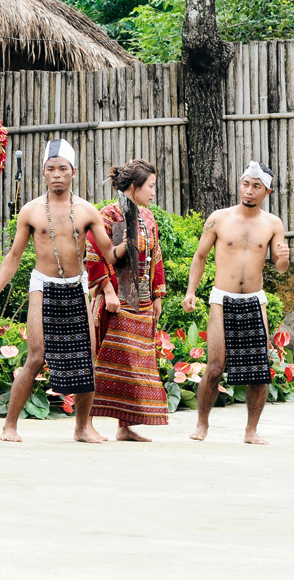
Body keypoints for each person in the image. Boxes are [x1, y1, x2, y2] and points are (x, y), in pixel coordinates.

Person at [0, 139, 117, 443]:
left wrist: (129, 241)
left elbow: (109, 253)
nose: (57, 174)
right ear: (43, 173)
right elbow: (14, 256)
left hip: (77, 287)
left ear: (73, 172)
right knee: (36, 355)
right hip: (42, 287)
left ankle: (83, 427)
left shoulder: (86, 211)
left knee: (87, 356)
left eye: (63, 168)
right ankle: (10, 425)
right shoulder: (31, 211)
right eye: (51, 169)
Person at [182, 161, 289, 444]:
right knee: (215, 366)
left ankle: (251, 431)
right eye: (245, 184)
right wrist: (191, 292)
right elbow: (200, 256)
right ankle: (202, 423)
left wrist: (284, 258)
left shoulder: (273, 223)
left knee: (259, 369)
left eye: (256, 186)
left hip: (255, 299)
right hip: (221, 298)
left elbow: (279, 267)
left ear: (267, 191)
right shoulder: (219, 218)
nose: (249, 191)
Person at [84, 160, 168, 442]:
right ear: (134, 187)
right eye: (151, 186)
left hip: (141, 300)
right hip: (116, 299)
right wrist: (107, 290)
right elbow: (95, 254)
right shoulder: (107, 215)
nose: (154, 192)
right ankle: (86, 423)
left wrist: (157, 294)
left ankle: (125, 425)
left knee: (135, 365)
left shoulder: (148, 217)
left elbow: (156, 257)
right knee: (104, 359)